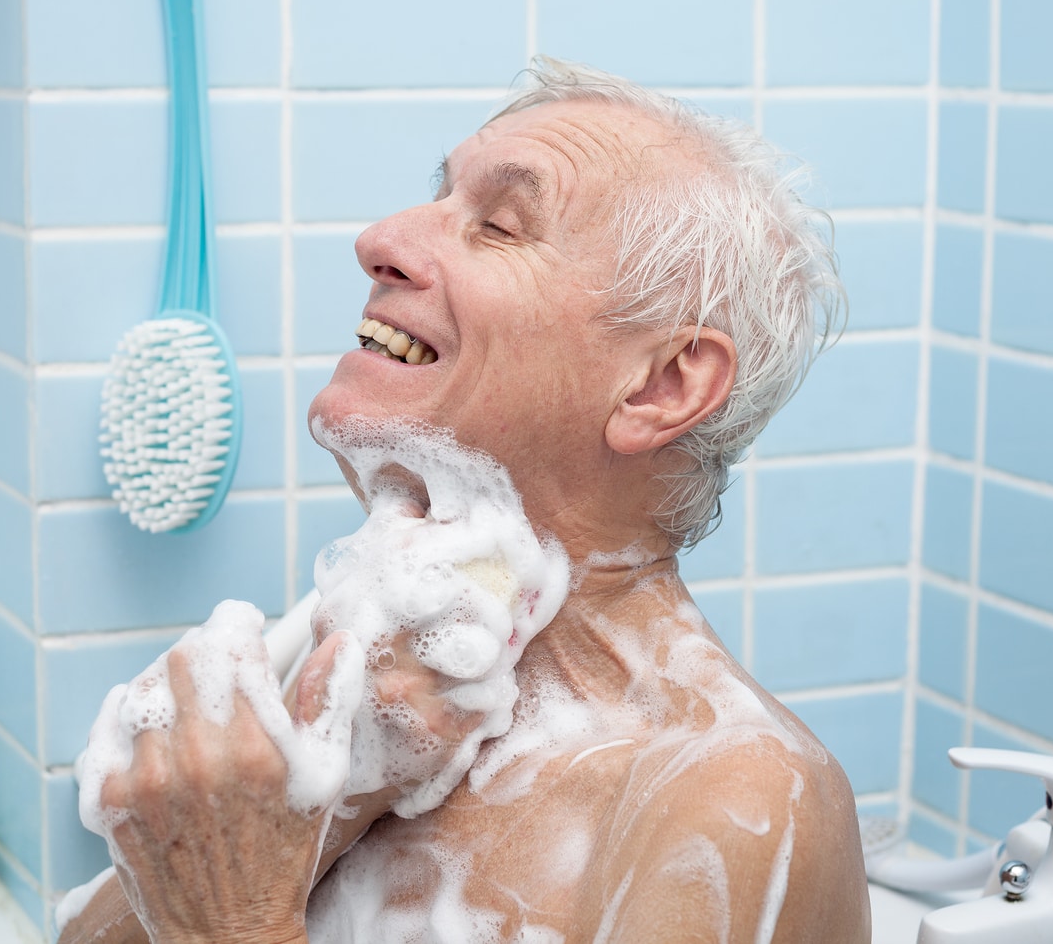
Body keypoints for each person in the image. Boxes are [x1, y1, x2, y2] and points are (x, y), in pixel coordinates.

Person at [59, 58, 870, 943]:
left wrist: (237, 924)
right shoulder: (390, 689)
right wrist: (345, 794)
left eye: (501, 226)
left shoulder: (734, 806)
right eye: (441, 199)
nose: (381, 238)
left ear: (663, 384)